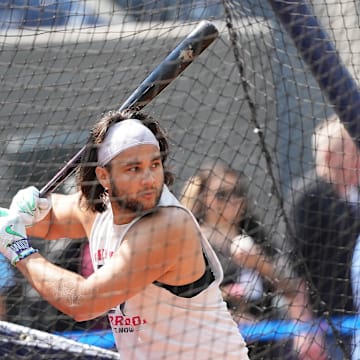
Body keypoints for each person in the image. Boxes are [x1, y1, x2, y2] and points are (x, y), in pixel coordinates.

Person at [0, 109, 249, 359]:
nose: (149, 179)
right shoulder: (98, 210)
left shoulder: (168, 226)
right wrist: (25, 211)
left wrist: (20, 250)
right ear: (104, 177)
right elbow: (50, 221)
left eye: (154, 164)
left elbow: (83, 302)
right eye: (134, 169)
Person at [180, 161, 327, 359]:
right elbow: (186, 296)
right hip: (216, 340)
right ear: (203, 198)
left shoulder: (255, 235)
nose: (233, 200)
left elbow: (291, 286)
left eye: (238, 192)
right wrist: (230, 310)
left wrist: (260, 264)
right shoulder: (194, 241)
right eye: (222, 194)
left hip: (266, 339)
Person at [286, 114, 360, 359]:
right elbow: (297, 270)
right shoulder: (308, 199)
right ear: (331, 157)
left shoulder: (356, 191)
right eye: (354, 154)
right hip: (330, 323)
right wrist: (304, 327)